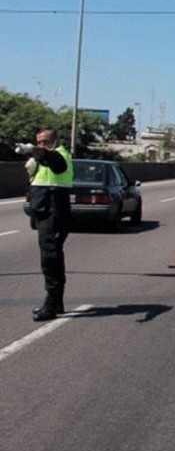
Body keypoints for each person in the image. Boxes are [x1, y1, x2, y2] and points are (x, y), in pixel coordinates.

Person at [27, 128, 73, 322]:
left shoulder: (60, 156)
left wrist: (36, 152)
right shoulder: (41, 160)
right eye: (39, 142)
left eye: (46, 141)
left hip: (54, 207)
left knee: (50, 257)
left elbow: (55, 164)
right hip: (42, 207)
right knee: (51, 255)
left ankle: (51, 302)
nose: (42, 145)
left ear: (55, 141)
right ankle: (57, 301)